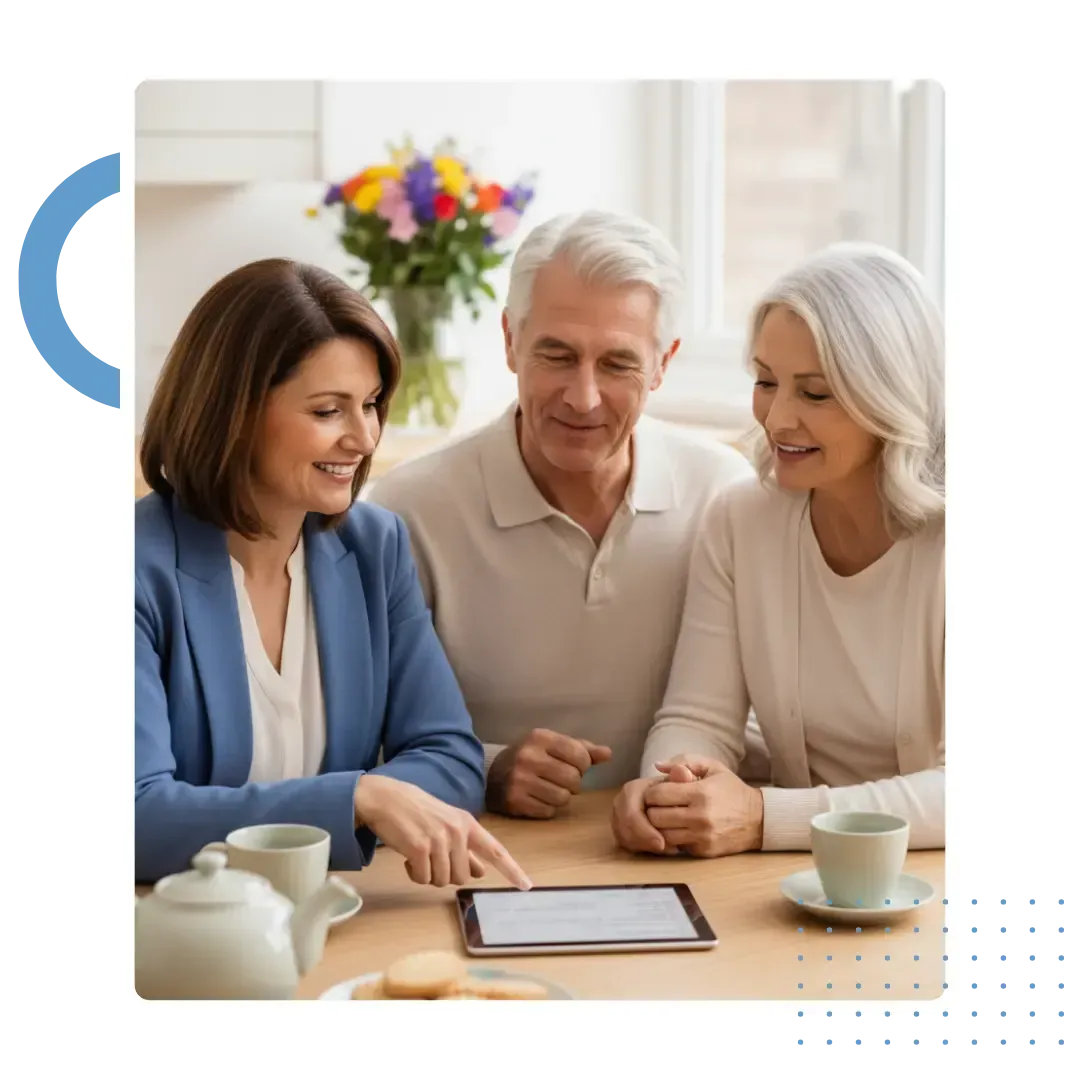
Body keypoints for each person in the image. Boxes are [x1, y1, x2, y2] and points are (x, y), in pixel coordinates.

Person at [135, 257, 531, 891]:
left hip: (335, 912)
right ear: (231, 412)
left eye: (370, 405)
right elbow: (138, 817)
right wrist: (357, 799)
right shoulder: (141, 571)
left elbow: (452, 761)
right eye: (327, 411)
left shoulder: (374, 546)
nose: (364, 437)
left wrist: (374, 797)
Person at [366, 209, 758, 819]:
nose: (584, 397)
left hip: (670, 846)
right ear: (510, 342)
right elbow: (363, 742)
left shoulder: (725, 494)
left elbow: (760, 715)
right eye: (556, 355)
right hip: (478, 848)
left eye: (618, 363)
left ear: (663, 362)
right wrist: (488, 767)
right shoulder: (406, 511)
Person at [612, 241, 946, 857]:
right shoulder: (742, 519)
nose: (778, 418)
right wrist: (672, 790)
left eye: (815, 393)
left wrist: (767, 817)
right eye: (766, 382)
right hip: (792, 885)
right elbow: (699, 718)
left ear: (890, 396)